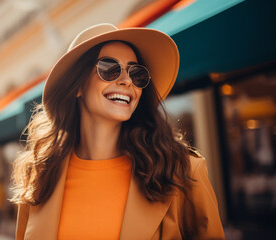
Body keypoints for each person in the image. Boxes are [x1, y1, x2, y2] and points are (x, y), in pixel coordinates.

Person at [12, 23, 225, 239]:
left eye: (137, 74)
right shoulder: (39, 176)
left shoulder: (182, 172)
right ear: (77, 86)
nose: (126, 81)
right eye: (108, 68)